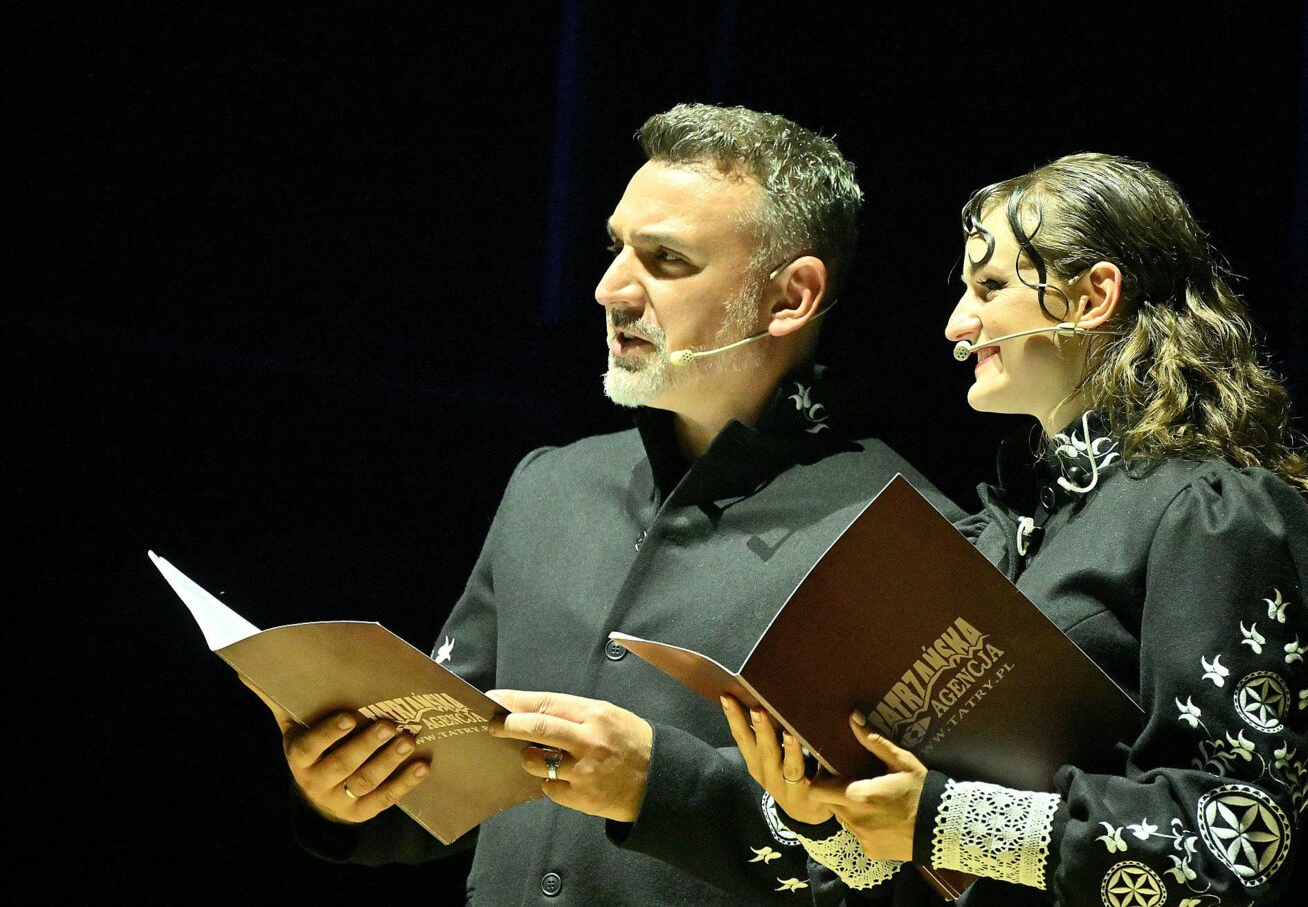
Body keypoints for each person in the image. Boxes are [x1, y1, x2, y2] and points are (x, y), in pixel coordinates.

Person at [249, 103, 959, 906]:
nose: (610, 288)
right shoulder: (552, 484)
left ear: (790, 297)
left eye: (665, 259)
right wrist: (344, 784)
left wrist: (662, 786)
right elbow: (442, 781)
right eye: (614, 247)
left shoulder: (905, 538)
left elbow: (902, 874)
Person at [718, 153, 1308, 905]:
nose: (956, 324)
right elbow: (933, 860)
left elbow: (1240, 839)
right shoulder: (1005, 525)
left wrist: (944, 820)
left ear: (1094, 297)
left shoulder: (1212, 510)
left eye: (990, 288)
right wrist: (830, 815)